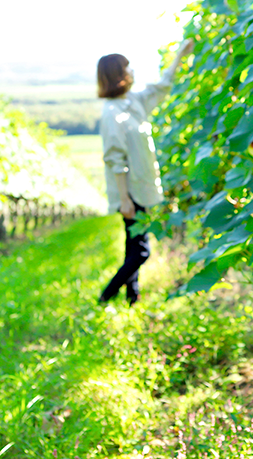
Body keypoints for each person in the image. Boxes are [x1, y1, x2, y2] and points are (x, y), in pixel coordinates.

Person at [96, 39, 194, 306]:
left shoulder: (133, 102)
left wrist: (178, 57)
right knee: (141, 251)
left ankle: (132, 297)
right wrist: (125, 199)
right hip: (130, 190)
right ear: (118, 75)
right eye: (127, 69)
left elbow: (161, 86)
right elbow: (114, 158)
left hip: (138, 186)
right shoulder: (112, 113)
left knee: (132, 244)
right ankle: (107, 294)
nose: (132, 73)